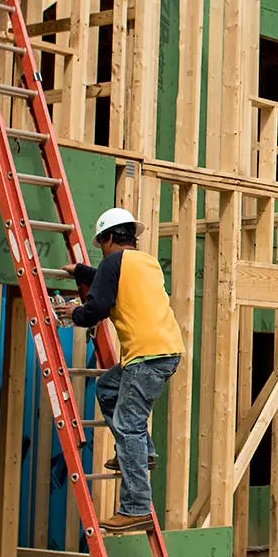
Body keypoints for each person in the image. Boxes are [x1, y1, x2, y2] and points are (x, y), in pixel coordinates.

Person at [57, 207, 183, 532]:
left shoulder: (113, 263)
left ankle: (136, 506)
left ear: (109, 238)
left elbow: (98, 306)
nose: (102, 249)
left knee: (128, 427)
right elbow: (109, 276)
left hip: (146, 356)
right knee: (108, 389)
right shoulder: (146, 262)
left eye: (101, 243)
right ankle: (145, 454)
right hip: (165, 350)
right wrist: (82, 272)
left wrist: (74, 314)